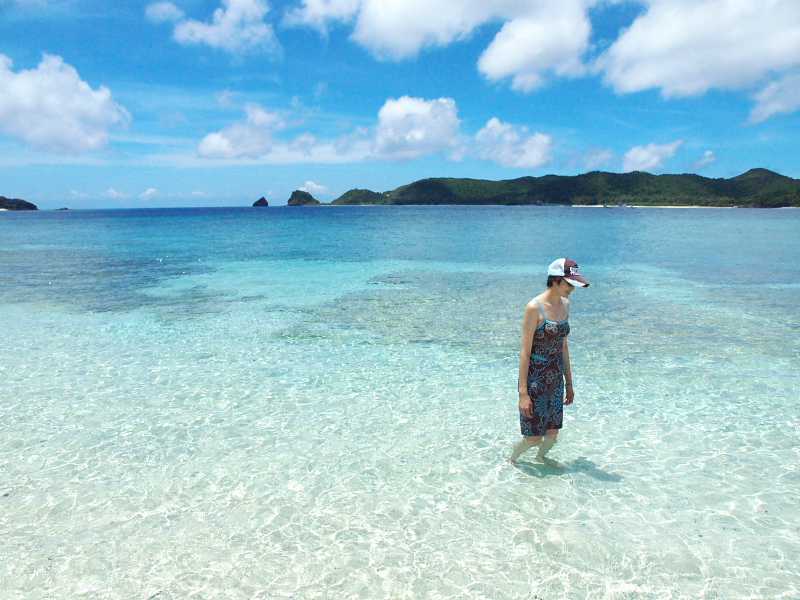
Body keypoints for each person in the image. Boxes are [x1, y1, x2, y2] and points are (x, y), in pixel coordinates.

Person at [509, 258, 590, 467]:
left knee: (552, 435)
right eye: (569, 283)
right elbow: (525, 353)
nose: (572, 289)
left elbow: (564, 347)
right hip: (536, 380)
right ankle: (512, 458)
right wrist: (523, 393)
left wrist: (569, 384)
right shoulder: (534, 308)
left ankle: (541, 458)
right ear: (555, 280)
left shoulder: (566, 305)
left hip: (556, 379)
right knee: (533, 438)